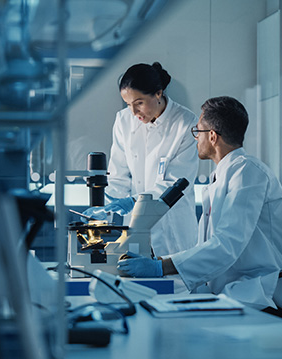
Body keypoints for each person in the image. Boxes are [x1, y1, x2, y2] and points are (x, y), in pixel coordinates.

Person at [116, 96, 282, 322]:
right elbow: (209, 247)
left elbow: (226, 245)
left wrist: (160, 266)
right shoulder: (222, 176)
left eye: (198, 132)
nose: (196, 139)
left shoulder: (248, 173)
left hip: (261, 291)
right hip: (231, 288)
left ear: (213, 136)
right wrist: (162, 262)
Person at [84, 62, 199, 257]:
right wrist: (106, 207)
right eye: (128, 104)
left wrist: (132, 202)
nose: (134, 112)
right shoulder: (123, 121)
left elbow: (175, 185)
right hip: (136, 227)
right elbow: (119, 175)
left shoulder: (186, 123)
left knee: (174, 282)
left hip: (173, 230)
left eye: (139, 103)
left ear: (158, 93)